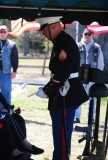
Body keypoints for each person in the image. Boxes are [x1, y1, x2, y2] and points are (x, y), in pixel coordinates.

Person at [35, 16, 89, 160]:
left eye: (44, 29)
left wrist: (47, 90)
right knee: (59, 132)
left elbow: (63, 72)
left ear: (53, 27)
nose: (42, 33)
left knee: (62, 133)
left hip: (67, 93)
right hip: (62, 91)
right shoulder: (59, 42)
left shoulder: (65, 43)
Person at [74, 28, 104, 123]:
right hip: (79, 75)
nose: (87, 36)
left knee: (92, 97)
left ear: (92, 35)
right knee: (78, 96)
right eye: (85, 34)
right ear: (83, 35)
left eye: (89, 34)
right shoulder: (77, 47)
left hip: (92, 76)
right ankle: (77, 117)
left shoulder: (96, 48)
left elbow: (100, 63)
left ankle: (91, 117)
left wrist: (97, 75)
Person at [0, 25, 19, 105]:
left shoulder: (12, 45)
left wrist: (14, 71)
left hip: (6, 72)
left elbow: (15, 58)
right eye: (1, 31)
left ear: (7, 33)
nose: (2, 33)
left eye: (4, 31)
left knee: (6, 91)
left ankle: (6, 109)